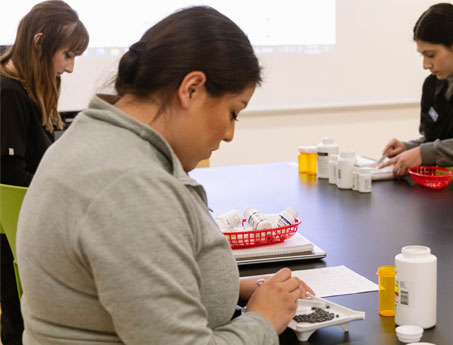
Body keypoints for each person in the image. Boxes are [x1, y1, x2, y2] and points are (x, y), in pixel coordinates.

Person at [16, 6, 313, 345]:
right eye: (233, 112)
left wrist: (237, 290)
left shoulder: (100, 142)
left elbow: (131, 288)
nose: (230, 133)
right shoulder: (129, 185)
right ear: (192, 89)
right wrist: (263, 319)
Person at [0, 1, 89, 344]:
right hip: (16, 230)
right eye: (67, 55)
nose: (69, 67)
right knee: (20, 318)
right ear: (39, 43)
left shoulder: (26, 87)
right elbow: (10, 178)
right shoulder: (8, 93)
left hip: (27, 224)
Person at [380, 3, 453, 177]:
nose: (425, 65)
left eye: (431, 55)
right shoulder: (432, 85)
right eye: (423, 55)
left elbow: (434, 149)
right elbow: (437, 140)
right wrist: (408, 148)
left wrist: (423, 153)